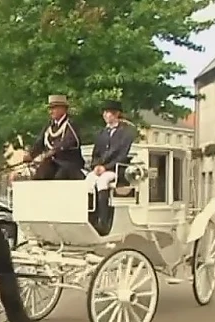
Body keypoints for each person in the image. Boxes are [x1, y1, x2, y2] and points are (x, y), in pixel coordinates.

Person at [86, 100, 136, 235]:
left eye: (109, 113)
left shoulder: (125, 133)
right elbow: (96, 153)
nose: (106, 115)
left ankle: (104, 220)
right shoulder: (102, 133)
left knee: (103, 181)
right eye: (105, 113)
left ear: (116, 114)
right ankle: (90, 218)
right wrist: (96, 166)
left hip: (117, 169)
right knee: (88, 181)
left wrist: (106, 167)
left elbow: (122, 155)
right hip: (101, 169)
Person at [23, 95, 85, 180]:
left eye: (53, 108)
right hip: (52, 164)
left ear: (63, 109)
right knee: (40, 174)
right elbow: (40, 142)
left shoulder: (70, 124)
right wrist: (31, 155)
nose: (50, 112)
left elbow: (70, 141)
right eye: (50, 109)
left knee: (59, 176)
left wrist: (54, 151)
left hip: (69, 164)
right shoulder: (49, 126)